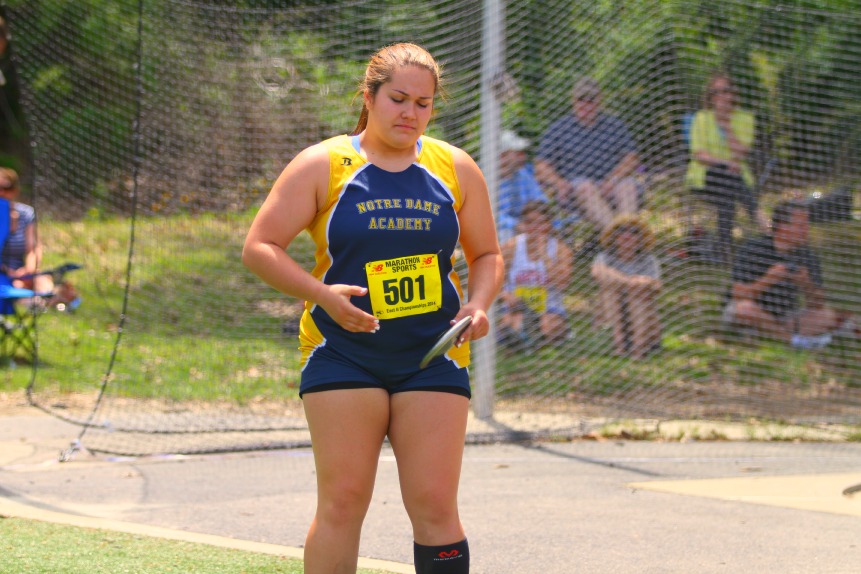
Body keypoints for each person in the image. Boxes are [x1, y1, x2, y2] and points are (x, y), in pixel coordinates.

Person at [242, 43, 503, 574]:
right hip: (343, 352)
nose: (410, 113)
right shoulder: (325, 163)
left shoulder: (453, 166)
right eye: (398, 99)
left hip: (432, 354)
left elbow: (487, 254)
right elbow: (260, 246)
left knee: (434, 505)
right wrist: (322, 296)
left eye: (423, 104)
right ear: (370, 96)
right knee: (343, 502)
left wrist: (477, 304)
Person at [723, 199, 852, 349]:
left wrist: (806, 284)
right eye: (801, 226)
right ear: (783, 226)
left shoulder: (807, 255)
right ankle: (795, 342)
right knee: (744, 309)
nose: (806, 230)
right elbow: (738, 295)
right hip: (750, 313)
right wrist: (769, 279)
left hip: (785, 316)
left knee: (827, 316)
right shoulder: (753, 248)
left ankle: (770, 333)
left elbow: (817, 304)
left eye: (807, 225)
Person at [534, 76, 641, 230]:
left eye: (590, 99)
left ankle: (629, 233)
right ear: (573, 100)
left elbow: (631, 158)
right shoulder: (559, 128)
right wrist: (559, 183)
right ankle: (615, 235)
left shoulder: (614, 125)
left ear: (599, 101)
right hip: (575, 190)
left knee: (628, 186)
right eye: (581, 99)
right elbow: (541, 165)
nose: (585, 104)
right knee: (586, 186)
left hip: (609, 184)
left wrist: (612, 180)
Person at [685, 72, 767, 263]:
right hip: (705, 176)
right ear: (710, 97)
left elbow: (741, 153)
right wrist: (726, 163)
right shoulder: (701, 118)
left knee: (726, 192)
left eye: (725, 91)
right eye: (716, 93)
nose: (721, 97)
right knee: (726, 178)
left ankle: (722, 250)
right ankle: (766, 227)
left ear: (733, 93)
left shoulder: (745, 118)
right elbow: (699, 154)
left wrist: (727, 125)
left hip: (734, 178)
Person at [497, 200, 572, 351]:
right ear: (523, 224)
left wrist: (544, 255)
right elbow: (493, 280)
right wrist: (506, 295)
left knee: (549, 326)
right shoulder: (511, 247)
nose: (535, 228)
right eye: (530, 222)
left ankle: (530, 337)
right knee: (511, 323)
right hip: (517, 305)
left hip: (549, 307)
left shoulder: (560, 249)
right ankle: (523, 337)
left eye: (541, 223)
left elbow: (562, 284)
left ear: (549, 225)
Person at [591, 214, 662, 358]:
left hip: (642, 317)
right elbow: (597, 272)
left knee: (640, 293)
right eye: (622, 231)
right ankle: (619, 345)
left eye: (634, 232)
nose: (627, 235)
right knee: (610, 291)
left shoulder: (648, 259)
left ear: (641, 238)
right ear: (614, 237)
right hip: (611, 316)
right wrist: (629, 282)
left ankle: (638, 346)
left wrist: (645, 283)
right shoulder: (605, 256)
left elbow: (657, 287)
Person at [495, 129, 548, 243]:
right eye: (518, 153)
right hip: (500, 231)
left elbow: (540, 199)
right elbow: (489, 215)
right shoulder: (486, 178)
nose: (522, 157)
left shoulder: (523, 174)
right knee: (505, 233)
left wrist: (537, 219)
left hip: (528, 225)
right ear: (503, 156)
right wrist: (516, 224)